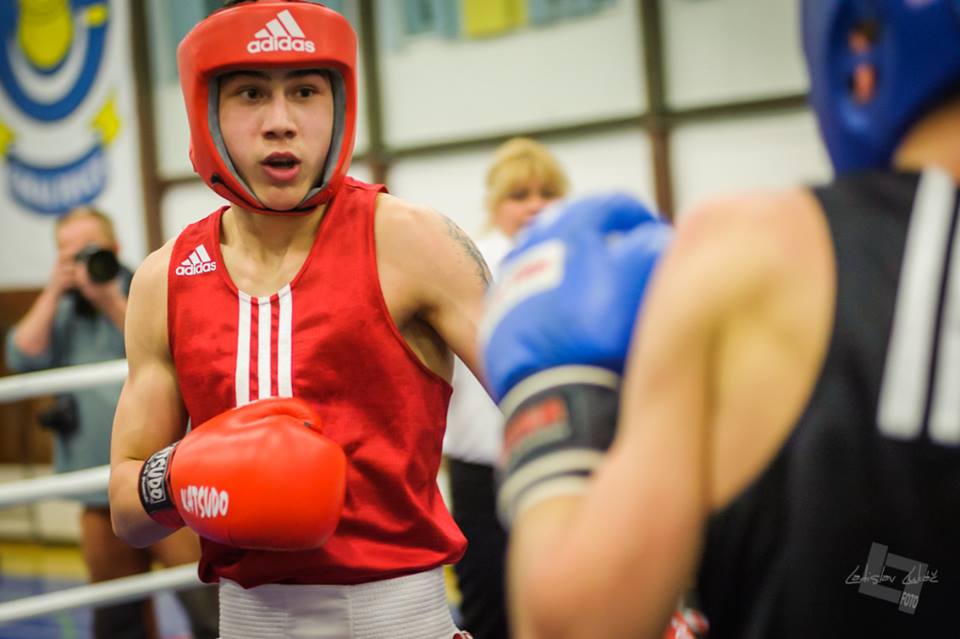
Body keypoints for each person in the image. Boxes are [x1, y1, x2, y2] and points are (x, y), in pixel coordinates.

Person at [480, 1, 960, 637]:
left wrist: (555, 397)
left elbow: (578, 627)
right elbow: (912, 583)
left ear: (861, 49)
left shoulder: (756, 253)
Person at [108, 1, 488, 637]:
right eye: (252, 94)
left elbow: (553, 413)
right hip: (245, 621)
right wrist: (180, 477)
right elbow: (127, 509)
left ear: (339, 105)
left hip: (399, 620)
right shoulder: (164, 279)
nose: (280, 122)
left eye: (305, 92)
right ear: (206, 113)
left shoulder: (413, 242)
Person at [5, 207, 218, 639]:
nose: (82, 259)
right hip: (98, 488)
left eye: (91, 249)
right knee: (117, 618)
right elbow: (21, 355)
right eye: (70, 252)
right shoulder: (62, 310)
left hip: (165, 480)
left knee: (206, 606)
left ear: (115, 248)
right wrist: (53, 291)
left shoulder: (147, 285)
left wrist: (108, 299)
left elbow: (166, 346)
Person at [443, 137, 569, 639]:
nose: (535, 206)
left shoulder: (578, 265)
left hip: (557, 456)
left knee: (563, 597)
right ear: (495, 206)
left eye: (546, 193)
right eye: (520, 196)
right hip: (481, 467)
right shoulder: (468, 268)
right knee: (490, 598)